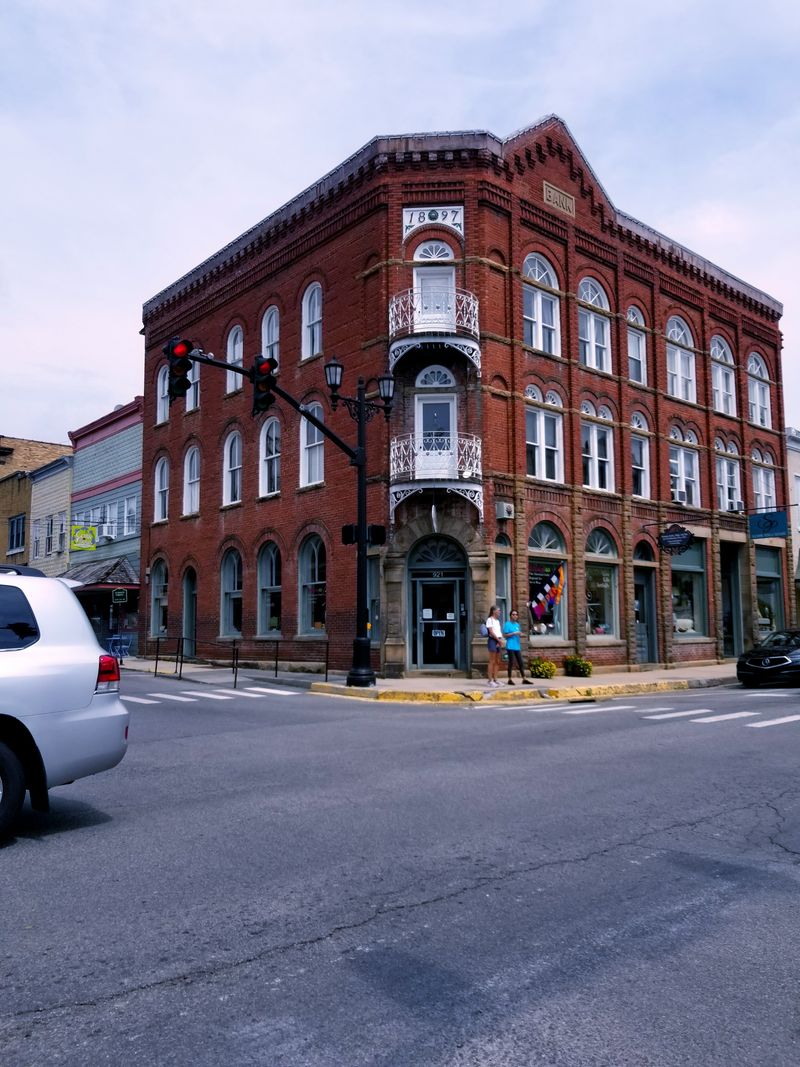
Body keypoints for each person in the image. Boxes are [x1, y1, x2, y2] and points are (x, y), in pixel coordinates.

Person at [502, 609, 532, 685]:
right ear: (510, 616)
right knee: (511, 662)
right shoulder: (507, 624)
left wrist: (522, 634)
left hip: (517, 646)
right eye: (513, 614)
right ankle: (509, 679)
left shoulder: (517, 625)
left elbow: (518, 634)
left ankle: (524, 679)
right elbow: (505, 635)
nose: (515, 616)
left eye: (516, 615)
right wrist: (514, 633)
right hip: (510, 646)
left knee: (520, 662)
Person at [485, 605, 504, 687]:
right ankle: (490, 680)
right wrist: (498, 640)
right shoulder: (490, 620)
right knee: (492, 661)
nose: (500, 612)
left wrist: (500, 639)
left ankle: (496, 679)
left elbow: (498, 631)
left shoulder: (497, 621)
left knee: (497, 661)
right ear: (493, 611)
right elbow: (491, 632)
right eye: (498, 610)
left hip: (498, 640)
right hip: (493, 640)